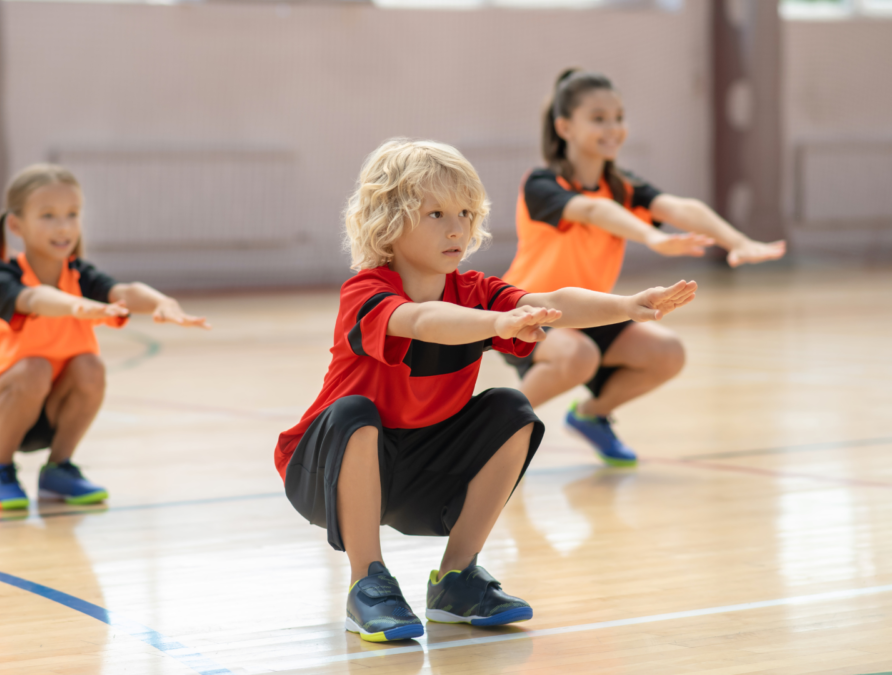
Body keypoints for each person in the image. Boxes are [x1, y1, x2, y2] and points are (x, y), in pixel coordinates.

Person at [275, 138, 697, 642]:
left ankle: (457, 580)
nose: (457, 228)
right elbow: (426, 320)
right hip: (324, 470)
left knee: (510, 409)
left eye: (466, 212)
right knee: (354, 413)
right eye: (435, 213)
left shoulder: (476, 291)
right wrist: (498, 321)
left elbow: (556, 299)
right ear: (388, 221)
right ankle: (368, 584)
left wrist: (627, 305)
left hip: (416, 475)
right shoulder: (365, 293)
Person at [501, 69, 786, 467]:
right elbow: (594, 210)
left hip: (591, 313)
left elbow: (682, 208)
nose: (613, 128)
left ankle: (591, 415)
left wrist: (737, 241)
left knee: (668, 353)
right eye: (599, 118)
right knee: (577, 357)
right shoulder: (542, 183)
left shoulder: (624, 187)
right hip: (528, 311)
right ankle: (494, 436)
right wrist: (651, 237)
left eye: (619, 117)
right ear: (564, 126)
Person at [0, 164, 209, 511]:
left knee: (90, 366)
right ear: (15, 225)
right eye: (48, 215)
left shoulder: (79, 274)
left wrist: (162, 302)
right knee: (34, 368)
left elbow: (124, 291)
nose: (63, 226)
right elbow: (34, 298)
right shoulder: (0, 275)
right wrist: (77, 306)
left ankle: (58, 469)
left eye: (72, 214)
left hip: (49, 411)